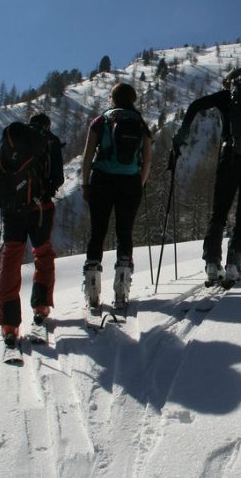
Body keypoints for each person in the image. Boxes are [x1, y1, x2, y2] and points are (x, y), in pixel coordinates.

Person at [172, 68, 241, 284]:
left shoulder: (227, 96)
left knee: (219, 212)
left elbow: (194, 106)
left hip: (230, 157)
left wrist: (182, 134)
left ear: (231, 82)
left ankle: (212, 263)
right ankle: (234, 262)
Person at [0, 113, 64, 347]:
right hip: (39, 209)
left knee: (11, 257)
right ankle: (40, 307)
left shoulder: (13, 139)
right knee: (42, 253)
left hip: (12, 209)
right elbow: (58, 178)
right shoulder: (50, 141)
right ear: (47, 125)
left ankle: (9, 323)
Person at [80, 83, 152, 313]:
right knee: (124, 233)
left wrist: (85, 182)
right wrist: (138, 183)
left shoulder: (101, 121)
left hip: (102, 180)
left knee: (97, 232)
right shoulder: (140, 123)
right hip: (130, 183)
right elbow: (148, 159)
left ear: (113, 98)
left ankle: (92, 289)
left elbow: (88, 154)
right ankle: (122, 287)